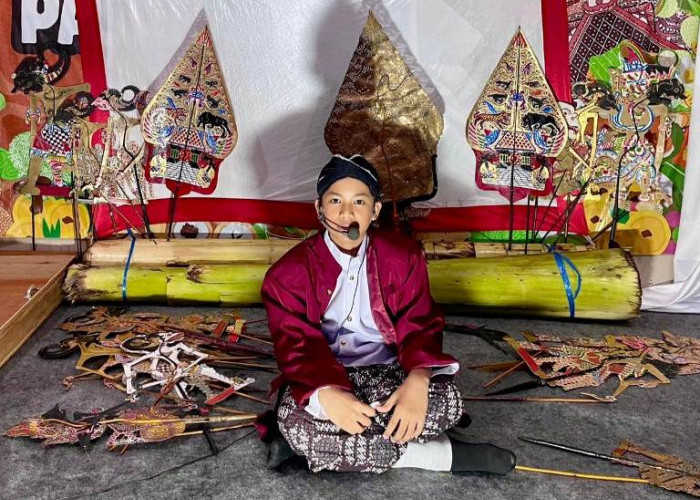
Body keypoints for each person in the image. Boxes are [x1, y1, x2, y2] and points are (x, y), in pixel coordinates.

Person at [261, 154, 515, 474]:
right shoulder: (286, 274)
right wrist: (328, 395)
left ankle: (333, 450)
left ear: (375, 211)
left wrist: (418, 380)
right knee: (298, 424)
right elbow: (295, 345)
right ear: (319, 208)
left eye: (359, 201)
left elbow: (420, 323)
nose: (346, 212)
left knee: (446, 402)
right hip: (323, 374)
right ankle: (438, 457)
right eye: (335, 200)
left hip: (388, 372)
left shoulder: (403, 257)